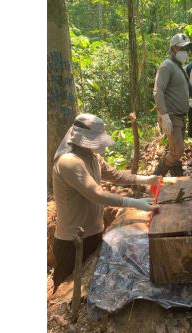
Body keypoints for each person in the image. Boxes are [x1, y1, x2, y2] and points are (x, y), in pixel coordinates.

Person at [52, 113, 160, 289]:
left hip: (94, 232)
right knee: (64, 287)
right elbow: (97, 194)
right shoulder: (69, 162)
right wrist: (134, 203)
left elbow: (116, 175)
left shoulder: (92, 157)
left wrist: (145, 179)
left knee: (88, 283)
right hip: (72, 241)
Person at [153, 33, 192, 176]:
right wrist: (164, 115)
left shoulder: (180, 68)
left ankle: (177, 176)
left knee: (175, 149)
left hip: (180, 116)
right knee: (178, 151)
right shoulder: (166, 66)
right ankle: (156, 176)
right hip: (171, 115)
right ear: (173, 48)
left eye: (187, 48)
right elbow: (158, 91)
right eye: (182, 48)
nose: (185, 52)